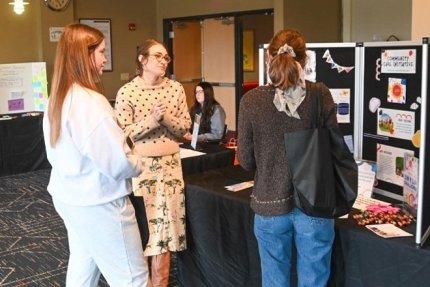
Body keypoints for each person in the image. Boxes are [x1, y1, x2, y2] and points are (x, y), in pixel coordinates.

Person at [43, 23, 148, 287]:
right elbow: (118, 163)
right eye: (101, 52)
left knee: (83, 267)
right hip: (100, 203)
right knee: (133, 279)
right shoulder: (90, 102)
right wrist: (138, 160)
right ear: (84, 55)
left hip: (71, 198)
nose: (104, 59)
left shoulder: (58, 98)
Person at [237, 28, 338, 287]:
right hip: (314, 204)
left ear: (268, 57)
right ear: (305, 61)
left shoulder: (251, 101)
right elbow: (334, 151)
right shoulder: (320, 95)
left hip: (269, 204)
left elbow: (246, 161)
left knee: (274, 281)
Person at [115, 39, 191, 286]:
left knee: (166, 231)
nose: (163, 61)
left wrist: (165, 117)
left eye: (166, 57)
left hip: (171, 167)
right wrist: (151, 120)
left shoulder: (175, 88)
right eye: (158, 56)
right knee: (145, 230)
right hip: (141, 169)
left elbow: (185, 127)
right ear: (142, 59)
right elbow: (122, 135)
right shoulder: (127, 92)